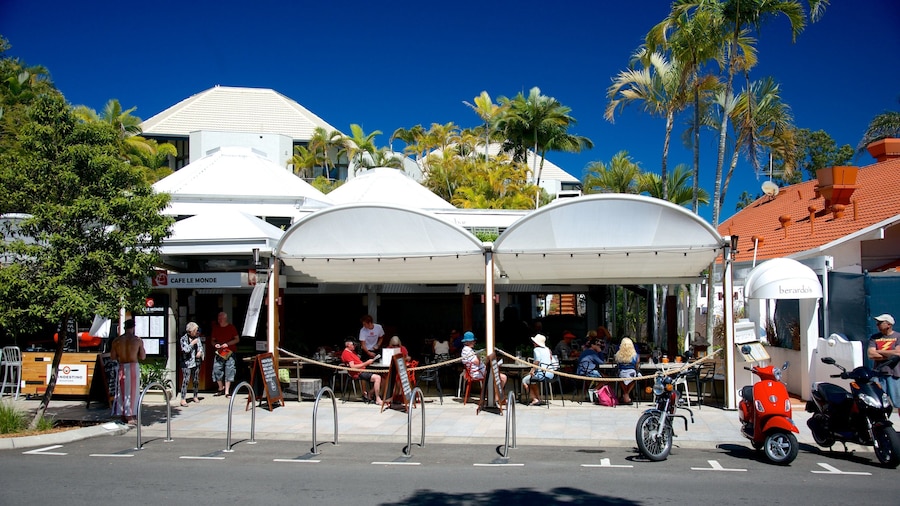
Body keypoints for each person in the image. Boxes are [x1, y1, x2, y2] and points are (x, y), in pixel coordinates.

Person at [110, 319, 145, 425]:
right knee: (132, 392)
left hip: (121, 365)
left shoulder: (117, 341)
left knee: (122, 391)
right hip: (133, 365)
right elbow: (143, 357)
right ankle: (130, 416)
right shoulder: (137, 340)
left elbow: (112, 357)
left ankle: (122, 414)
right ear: (133, 328)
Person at [867, 313, 900, 416]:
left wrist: (879, 351)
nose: (877, 325)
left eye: (880, 323)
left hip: (895, 374)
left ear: (889, 324)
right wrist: (891, 354)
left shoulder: (898, 336)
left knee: (898, 403)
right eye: (877, 323)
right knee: (878, 402)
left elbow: (899, 353)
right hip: (879, 374)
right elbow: (871, 354)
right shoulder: (874, 338)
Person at [341, 338, 383, 405]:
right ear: (348, 345)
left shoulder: (352, 352)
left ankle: (370, 393)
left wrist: (367, 363)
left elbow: (358, 362)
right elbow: (353, 367)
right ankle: (377, 398)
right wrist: (366, 363)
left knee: (382, 378)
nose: (354, 346)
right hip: (358, 373)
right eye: (353, 344)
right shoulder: (346, 353)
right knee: (377, 378)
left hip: (362, 370)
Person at [211, 311, 239, 397]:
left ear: (225, 318)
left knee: (229, 370)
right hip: (220, 351)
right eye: (219, 318)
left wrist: (228, 344)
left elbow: (237, 339)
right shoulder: (216, 328)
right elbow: (212, 340)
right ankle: (220, 387)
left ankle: (227, 391)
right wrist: (215, 344)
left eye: (221, 318)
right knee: (216, 369)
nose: (219, 320)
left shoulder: (231, 327)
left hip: (229, 351)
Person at [522, 334, 555, 406]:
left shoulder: (536, 350)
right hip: (551, 373)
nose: (533, 343)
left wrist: (532, 370)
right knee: (532, 381)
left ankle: (534, 399)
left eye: (534, 342)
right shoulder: (547, 349)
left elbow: (537, 362)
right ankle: (538, 399)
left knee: (524, 380)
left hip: (542, 374)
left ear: (536, 343)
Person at [179, 322, 203, 406]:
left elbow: (200, 347)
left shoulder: (197, 338)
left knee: (196, 379)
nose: (196, 332)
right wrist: (192, 343)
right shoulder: (183, 339)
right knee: (186, 380)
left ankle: (195, 395)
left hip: (196, 361)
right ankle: (183, 398)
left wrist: (200, 352)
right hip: (187, 362)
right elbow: (185, 350)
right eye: (195, 330)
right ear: (190, 331)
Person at [615, 337, 639, 404]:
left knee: (621, 379)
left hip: (622, 373)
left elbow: (617, 363)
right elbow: (636, 365)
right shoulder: (635, 355)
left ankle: (625, 394)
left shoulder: (618, 354)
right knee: (635, 378)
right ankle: (627, 394)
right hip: (632, 373)